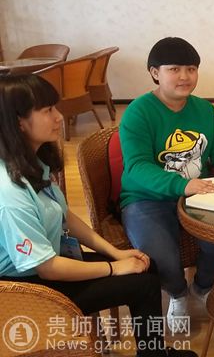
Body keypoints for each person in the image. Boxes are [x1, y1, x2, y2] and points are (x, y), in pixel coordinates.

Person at [0, 75, 196, 357]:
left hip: (50, 261)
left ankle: (153, 352)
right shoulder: (10, 192)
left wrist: (115, 253)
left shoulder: (33, 163)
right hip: (25, 288)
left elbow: (65, 217)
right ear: (18, 122)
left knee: (145, 265)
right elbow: (47, 268)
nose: (59, 117)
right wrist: (114, 268)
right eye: (48, 110)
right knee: (142, 284)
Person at [119, 37, 214, 333]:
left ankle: (203, 286)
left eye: (191, 69)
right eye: (174, 69)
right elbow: (137, 167)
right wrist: (181, 185)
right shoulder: (138, 112)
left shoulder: (204, 109)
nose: (185, 77)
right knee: (160, 255)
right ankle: (177, 293)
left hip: (198, 193)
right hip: (146, 198)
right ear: (155, 73)